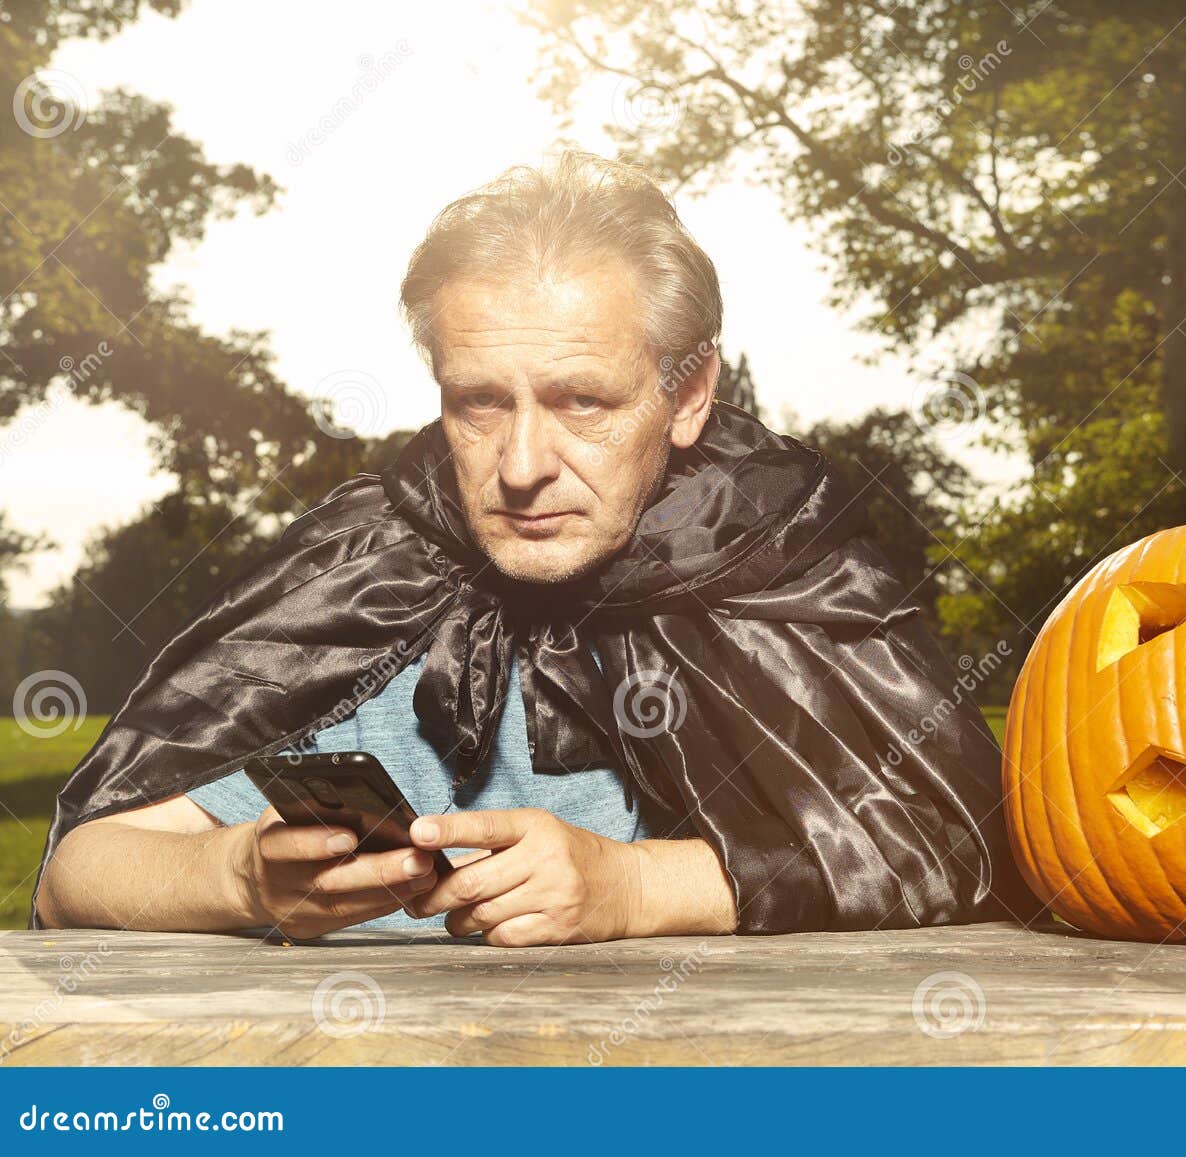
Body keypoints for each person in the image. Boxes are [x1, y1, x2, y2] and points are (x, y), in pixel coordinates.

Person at [34, 151, 1029, 946]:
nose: (519, 464)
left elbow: (964, 843)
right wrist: (238, 874)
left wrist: (635, 887)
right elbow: (80, 869)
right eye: (478, 402)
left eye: (581, 402)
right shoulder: (350, 572)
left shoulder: (789, 559)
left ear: (685, 394)